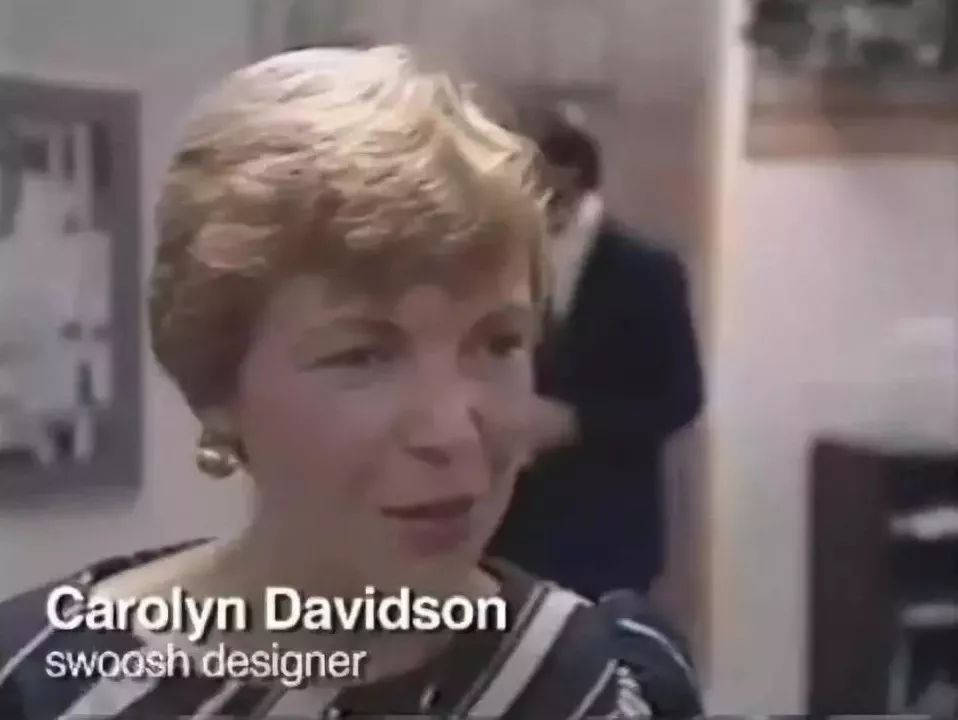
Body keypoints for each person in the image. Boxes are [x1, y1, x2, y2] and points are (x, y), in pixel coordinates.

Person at [0, 47, 701, 718]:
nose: (453, 433)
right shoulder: (46, 686)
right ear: (217, 383)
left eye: (498, 343)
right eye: (363, 356)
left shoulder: (602, 684)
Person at [489, 108, 705, 600]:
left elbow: (680, 399)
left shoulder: (646, 272)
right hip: (506, 538)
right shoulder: (496, 262)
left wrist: (577, 423)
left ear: (568, 176)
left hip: (606, 536)